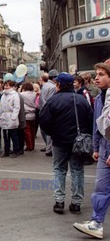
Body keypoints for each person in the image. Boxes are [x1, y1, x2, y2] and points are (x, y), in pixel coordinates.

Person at [40, 72, 93, 215]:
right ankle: (76, 203)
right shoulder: (81, 100)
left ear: (58, 85)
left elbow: (44, 121)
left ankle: (59, 201)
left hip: (59, 141)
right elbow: (90, 120)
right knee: (77, 171)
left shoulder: (53, 100)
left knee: (59, 169)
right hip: (78, 142)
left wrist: (53, 133)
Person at [74, 63, 110, 238]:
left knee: (102, 186)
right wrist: (96, 147)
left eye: (101, 74)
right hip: (104, 148)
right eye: (96, 74)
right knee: (101, 187)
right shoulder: (100, 97)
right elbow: (98, 124)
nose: (97, 77)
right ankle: (96, 223)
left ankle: (96, 222)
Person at [0, 79, 20, 158]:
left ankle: (16, 150)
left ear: (12, 86)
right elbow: (1, 108)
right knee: (5, 136)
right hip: (4, 117)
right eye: (5, 85)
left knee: (13, 135)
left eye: (7, 85)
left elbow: (17, 107)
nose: (6, 87)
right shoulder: (3, 95)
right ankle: (6, 150)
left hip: (11, 117)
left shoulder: (15, 95)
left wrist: (13, 117)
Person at [39, 70, 58, 156]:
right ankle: (49, 149)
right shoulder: (53, 87)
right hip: (49, 110)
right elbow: (51, 100)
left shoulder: (44, 85)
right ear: (54, 78)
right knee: (51, 131)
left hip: (43, 109)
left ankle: (48, 147)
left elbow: (41, 98)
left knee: (45, 130)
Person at [20, 82, 37, 151]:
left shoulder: (22, 94)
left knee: (27, 131)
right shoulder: (34, 94)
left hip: (26, 115)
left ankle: (29, 146)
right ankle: (32, 145)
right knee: (33, 131)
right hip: (33, 114)